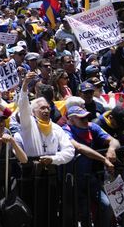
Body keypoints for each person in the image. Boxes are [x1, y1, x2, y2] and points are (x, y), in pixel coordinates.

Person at [15, 72, 75, 227]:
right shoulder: (28, 126)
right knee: (32, 216)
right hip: (31, 177)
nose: (46, 111)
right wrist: (24, 86)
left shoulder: (56, 128)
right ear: (33, 112)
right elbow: (22, 106)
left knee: (50, 214)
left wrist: (53, 159)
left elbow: (69, 150)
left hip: (51, 177)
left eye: (48, 108)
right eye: (42, 108)